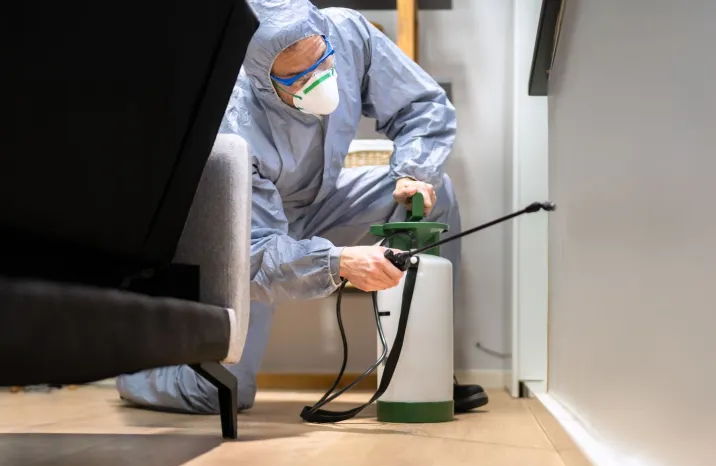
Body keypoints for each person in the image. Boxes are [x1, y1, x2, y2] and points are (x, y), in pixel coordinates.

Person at [115, 0, 488, 415]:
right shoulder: (231, 118)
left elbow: (420, 105)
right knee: (219, 394)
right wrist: (338, 262)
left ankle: (423, 371)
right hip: (247, 233)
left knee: (433, 197)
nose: (320, 78)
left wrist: (413, 171)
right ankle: (138, 374)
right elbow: (255, 252)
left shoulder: (347, 34)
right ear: (261, 78)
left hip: (321, 202)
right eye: (296, 75)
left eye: (322, 58)